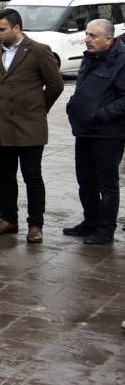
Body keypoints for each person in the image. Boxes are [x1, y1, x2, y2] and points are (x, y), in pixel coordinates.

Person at [0, 7, 64, 244]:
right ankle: (9, 219)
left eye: (2, 29)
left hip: (29, 126)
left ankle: (36, 224)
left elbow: (55, 85)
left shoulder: (38, 51)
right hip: (0, 124)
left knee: (32, 176)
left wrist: (38, 109)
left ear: (17, 28)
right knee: (4, 175)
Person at [65, 19, 125, 243]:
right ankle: (90, 222)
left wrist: (101, 115)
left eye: (93, 36)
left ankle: (105, 230)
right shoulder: (90, 57)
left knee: (106, 184)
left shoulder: (121, 60)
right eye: (87, 34)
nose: (87, 39)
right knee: (85, 181)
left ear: (108, 39)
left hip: (108, 135)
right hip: (84, 131)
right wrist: (73, 104)